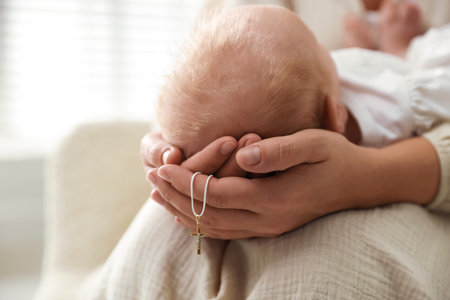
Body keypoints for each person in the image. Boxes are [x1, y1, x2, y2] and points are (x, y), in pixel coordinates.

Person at [81, 3, 450, 300]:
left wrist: (402, 54)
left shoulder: (398, 101)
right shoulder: (382, 101)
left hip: (400, 97)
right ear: (333, 114)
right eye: (327, 50)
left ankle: (393, 51)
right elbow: (202, 80)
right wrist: (167, 148)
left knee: (421, 64)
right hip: (381, 85)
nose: (331, 50)